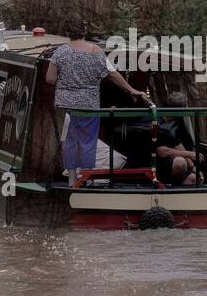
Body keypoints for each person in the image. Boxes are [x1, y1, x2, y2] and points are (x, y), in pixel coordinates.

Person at [46, 21, 149, 183]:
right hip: (88, 105)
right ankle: (86, 179)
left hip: (64, 106)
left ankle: (72, 180)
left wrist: (66, 81)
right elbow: (111, 74)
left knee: (71, 142)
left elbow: (50, 79)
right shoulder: (95, 51)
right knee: (87, 142)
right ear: (84, 32)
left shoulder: (59, 53)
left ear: (67, 33)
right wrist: (131, 89)